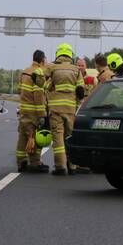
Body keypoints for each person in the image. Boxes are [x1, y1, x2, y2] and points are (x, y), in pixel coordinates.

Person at [44, 43, 84, 175]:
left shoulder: (52, 68)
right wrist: (76, 104)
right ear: (70, 55)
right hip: (70, 109)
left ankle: (60, 167)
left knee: (58, 138)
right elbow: (81, 90)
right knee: (70, 137)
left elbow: (45, 86)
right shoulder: (76, 70)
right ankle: (72, 166)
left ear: (58, 54)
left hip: (56, 109)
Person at [16, 50, 50, 173]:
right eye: (45, 59)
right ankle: (35, 163)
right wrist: (42, 115)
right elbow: (38, 96)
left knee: (22, 137)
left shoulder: (24, 72)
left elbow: (19, 90)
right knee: (34, 137)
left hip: (24, 110)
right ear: (42, 60)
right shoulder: (38, 73)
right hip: (34, 112)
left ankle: (21, 162)